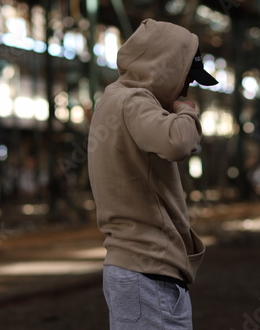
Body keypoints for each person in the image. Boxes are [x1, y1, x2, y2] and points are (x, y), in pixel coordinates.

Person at [88, 18, 219, 330]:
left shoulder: (113, 99)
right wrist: (187, 110)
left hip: (135, 267)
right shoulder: (135, 100)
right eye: (185, 78)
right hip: (147, 269)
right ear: (164, 69)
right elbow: (178, 142)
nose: (186, 88)